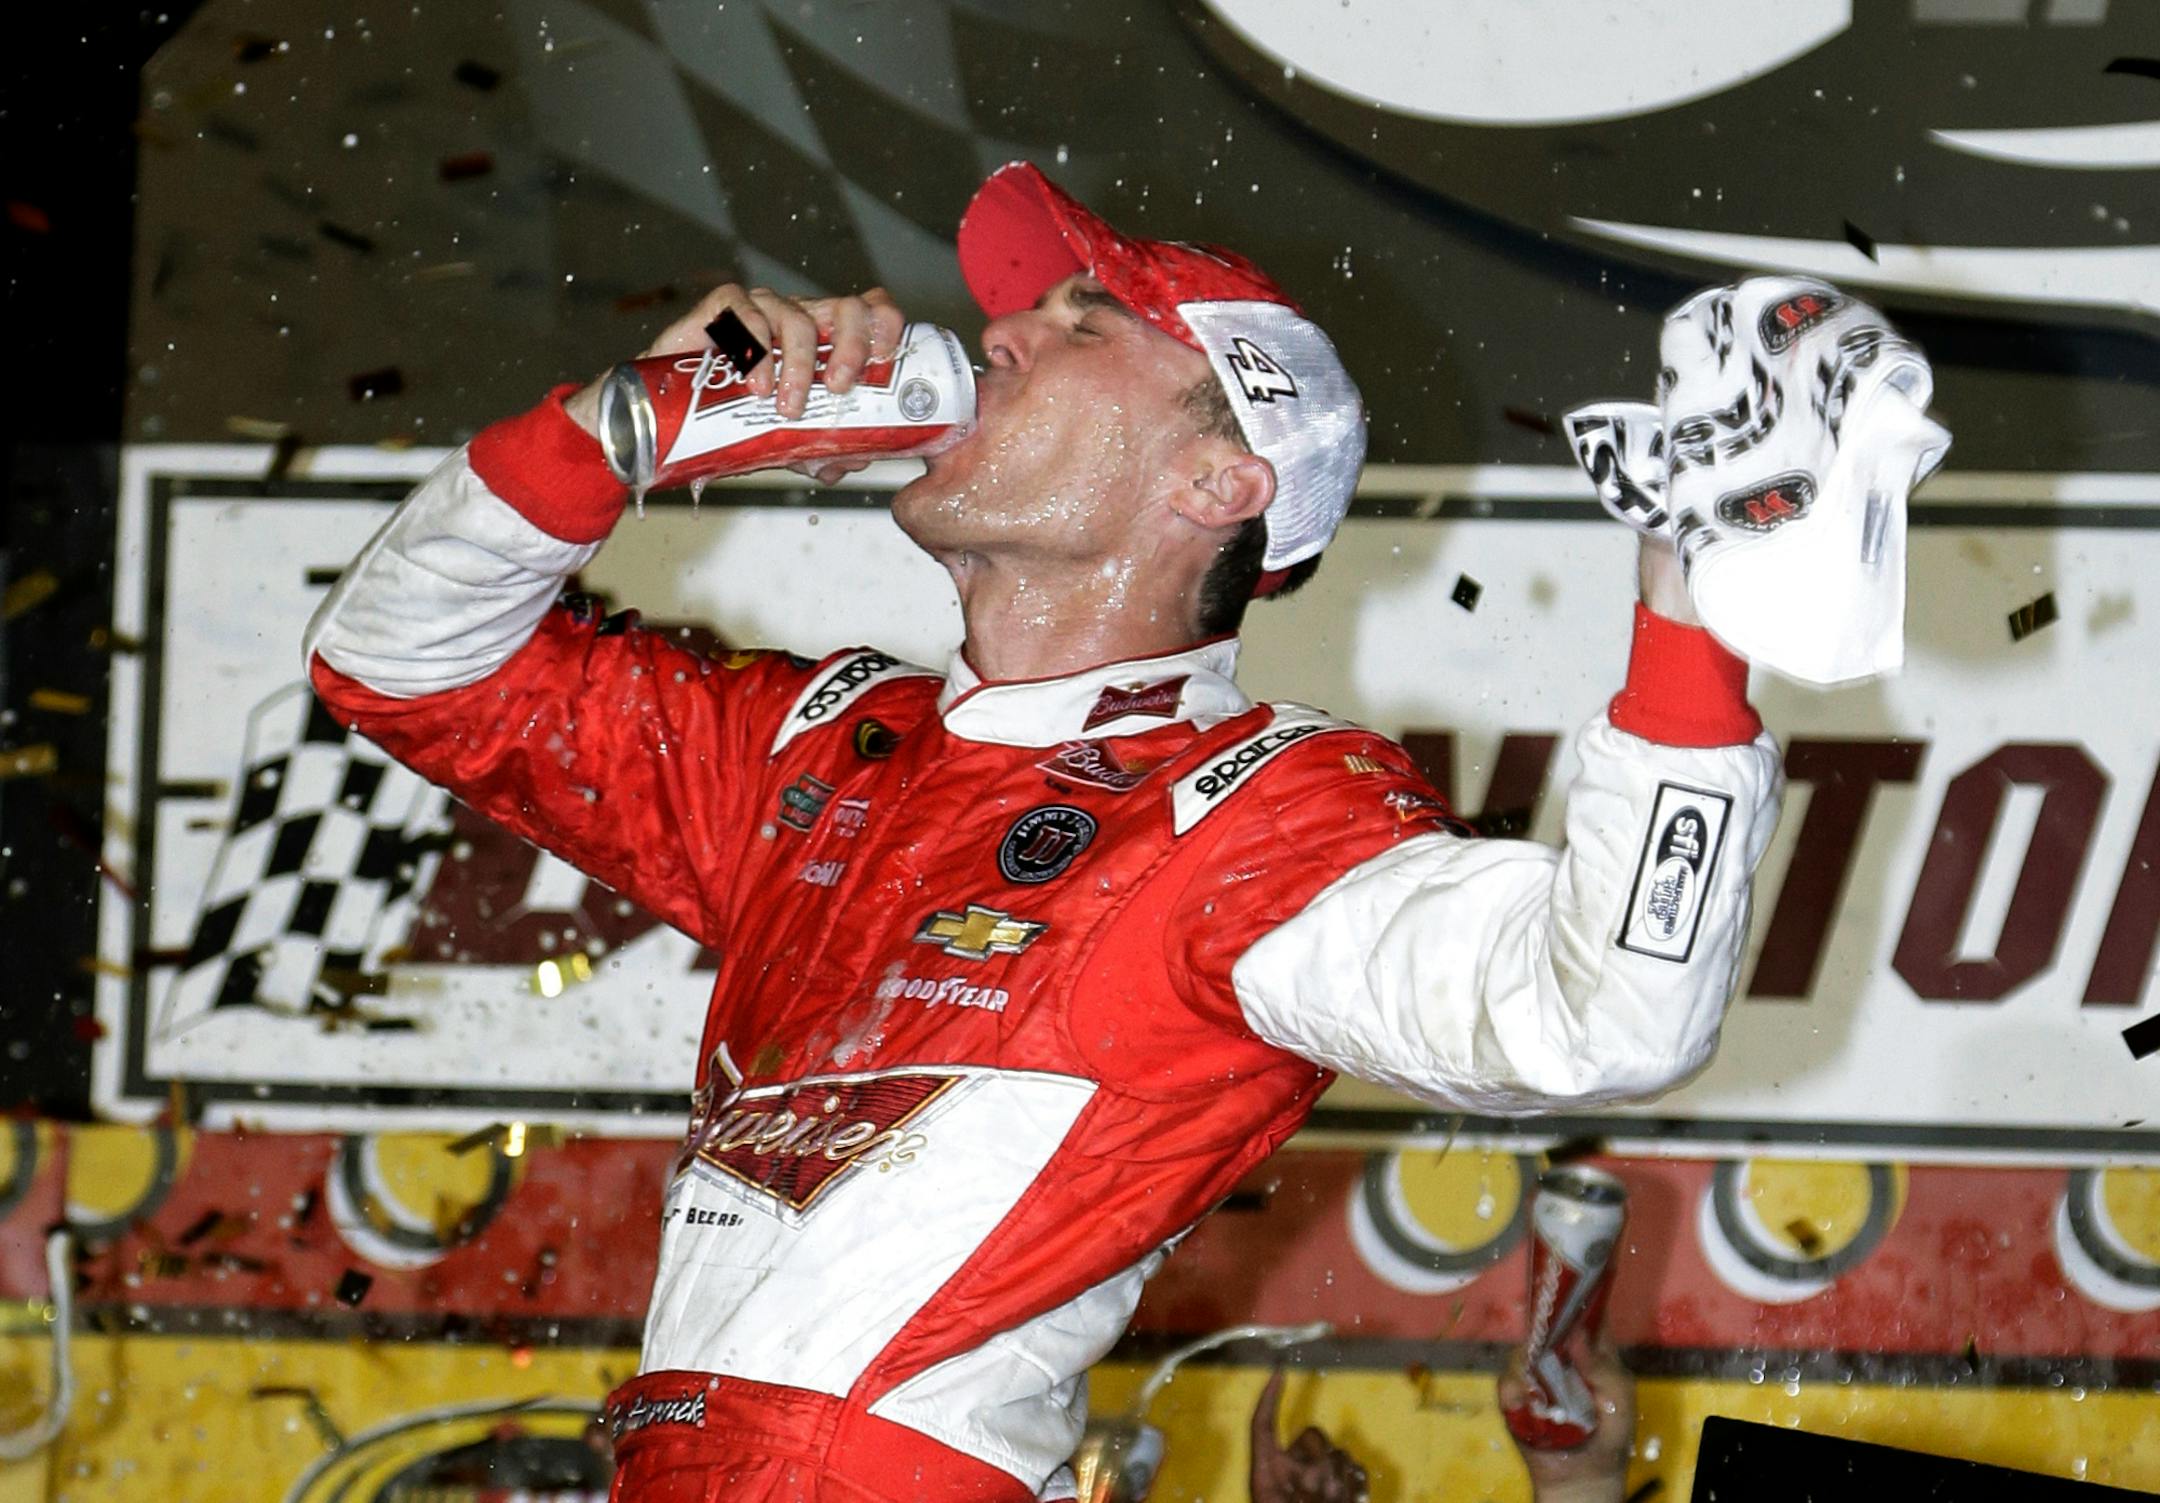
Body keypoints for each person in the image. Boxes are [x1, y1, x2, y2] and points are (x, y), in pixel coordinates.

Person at [305, 161, 1782, 1502]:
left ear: (1219, 483)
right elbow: (398, 663)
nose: (995, 337)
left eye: (1084, 325)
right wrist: (624, 424)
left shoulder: (1256, 805)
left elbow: (1605, 1020)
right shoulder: (817, 744)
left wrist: (1695, 615)